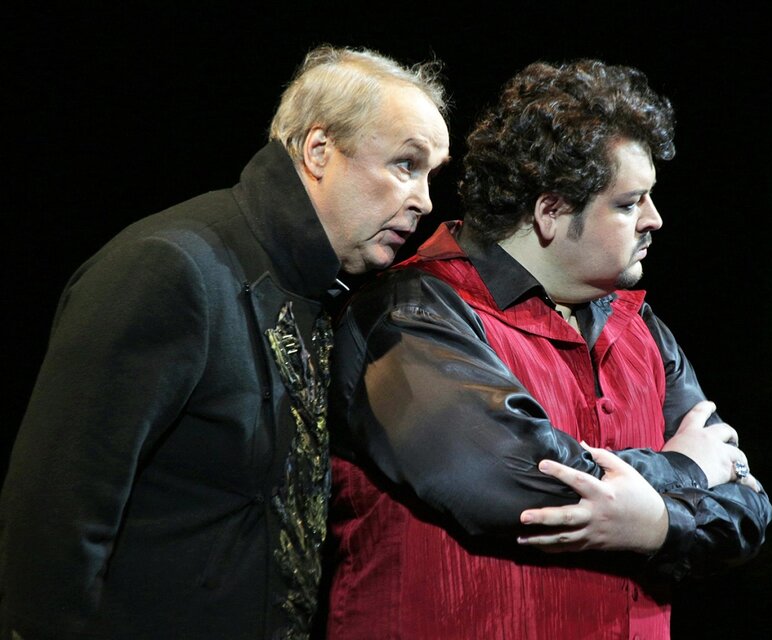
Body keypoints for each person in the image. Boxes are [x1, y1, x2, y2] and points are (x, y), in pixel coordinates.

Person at [0, 44, 449, 640]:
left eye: (430, 174)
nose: (425, 201)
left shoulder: (317, 291)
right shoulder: (169, 269)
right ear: (319, 150)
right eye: (405, 164)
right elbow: (54, 515)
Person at [325, 58, 772, 639]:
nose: (655, 220)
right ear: (551, 212)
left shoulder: (639, 327)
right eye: (629, 203)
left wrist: (657, 524)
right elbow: (521, 481)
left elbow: (746, 502)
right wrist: (686, 469)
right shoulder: (412, 312)